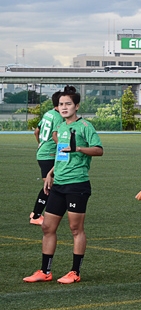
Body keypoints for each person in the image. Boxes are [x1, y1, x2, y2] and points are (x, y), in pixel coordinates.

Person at [23, 86, 103, 284]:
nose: (64, 107)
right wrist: (51, 173)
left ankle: (75, 272)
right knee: (48, 227)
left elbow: (99, 150)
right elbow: (60, 155)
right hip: (58, 183)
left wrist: (79, 148)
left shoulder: (85, 126)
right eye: (61, 104)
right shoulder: (60, 128)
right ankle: (45, 271)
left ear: (76, 106)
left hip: (77, 184)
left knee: (76, 229)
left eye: (68, 104)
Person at [30, 91, 63, 225]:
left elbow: (36, 131)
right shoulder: (59, 117)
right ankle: (36, 215)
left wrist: (40, 143)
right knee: (50, 185)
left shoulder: (48, 114)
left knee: (52, 184)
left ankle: (36, 213)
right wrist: (65, 151)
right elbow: (57, 137)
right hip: (49, 154)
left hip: (43, 152)